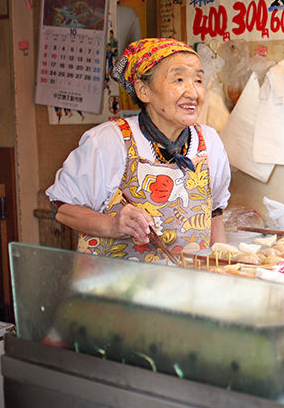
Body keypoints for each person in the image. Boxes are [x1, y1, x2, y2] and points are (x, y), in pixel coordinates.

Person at [47, 38, 230, 262]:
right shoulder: (110, 140)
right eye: (179, 79)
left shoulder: (209, 141)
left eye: (199, 80)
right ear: (143, 90)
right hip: (113, 289)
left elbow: (214, 214)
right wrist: (112, 224)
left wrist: (223, 270)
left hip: (184, 287)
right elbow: (63, 208)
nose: (193, 92)